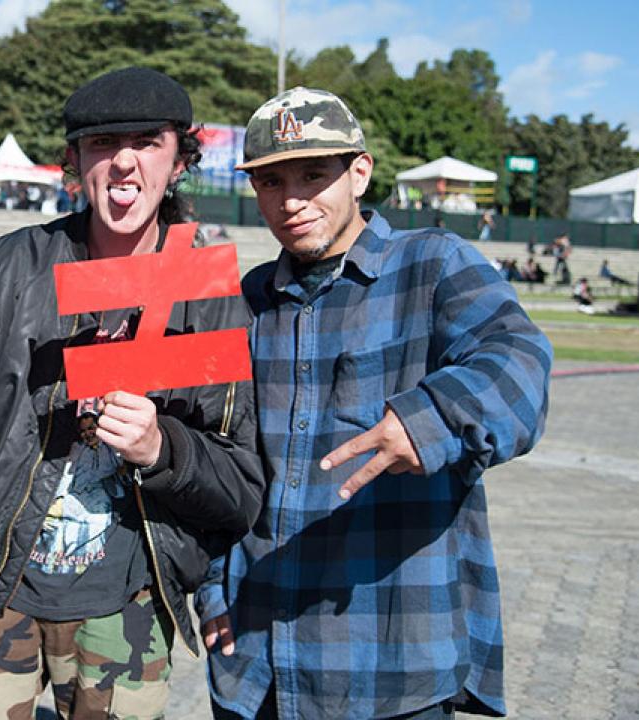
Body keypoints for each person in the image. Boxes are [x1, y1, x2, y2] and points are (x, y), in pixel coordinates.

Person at [0, 66, 264, 719]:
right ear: (74, 164)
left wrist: (160, 447)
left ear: (179, 160)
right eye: (101, 144)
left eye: (146, 141)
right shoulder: (12, 267)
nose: (122, 162)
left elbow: (241, 488)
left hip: (131, 605)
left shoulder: (214, 296)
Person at [197, 87, 553, 719]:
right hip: (258, 669)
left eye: (314, 174)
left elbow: (519, 361)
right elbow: (215, 458)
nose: (293, 199)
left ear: (359, 172)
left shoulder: (434, 264)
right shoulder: (244, 301)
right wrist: (211, 590)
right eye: (271, 181)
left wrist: (433, 420)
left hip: (392, 665)